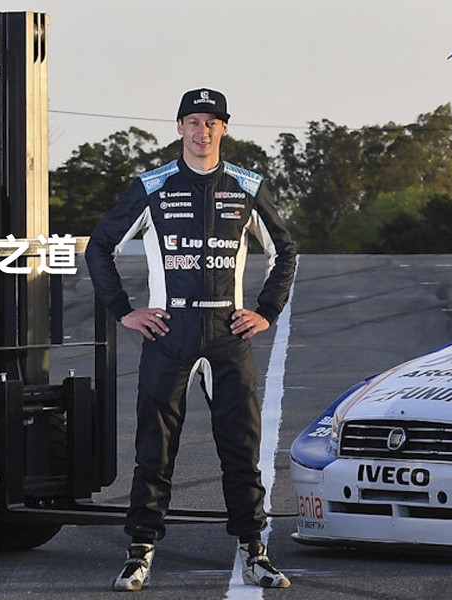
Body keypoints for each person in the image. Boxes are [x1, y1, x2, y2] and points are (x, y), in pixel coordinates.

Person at [86, 88, 299, 592]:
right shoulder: (152, 185)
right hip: (170, 333)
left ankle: (254, 550)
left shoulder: (247, 185)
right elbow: (99, 248)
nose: (203, 131)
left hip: (228, 334)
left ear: (224, 128)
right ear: (180, 126)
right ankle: (140, 551)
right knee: (154, 450)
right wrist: (125, 311)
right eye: (194, 122)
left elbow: (285, 252)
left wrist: (266, 312)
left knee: (241, 449)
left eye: (212, 123)